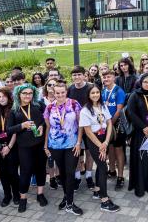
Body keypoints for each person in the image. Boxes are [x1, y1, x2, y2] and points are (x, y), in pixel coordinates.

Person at [79, 85, 122, 212]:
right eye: (93, 93)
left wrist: (106, 142)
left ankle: (97, 190)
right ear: (88, 95)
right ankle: (104, 200)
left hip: (105, 139)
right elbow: (88, 131)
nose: (96, 95)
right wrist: (100, 146)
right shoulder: (85, 111)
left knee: (100, 165)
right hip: (94, 141)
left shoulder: (103, 106)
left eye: (97, 92)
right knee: (103, 168)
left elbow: (109, 123)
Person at [43, 82, 84, 215]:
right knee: (63, 173)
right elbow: (48, 127)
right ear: (53, 93)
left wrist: (79, 142)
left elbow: (81, 125)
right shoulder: (49, 107)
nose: (60, 95)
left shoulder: (74, 104)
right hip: (55, 145)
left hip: (72, 145)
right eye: (57, 93)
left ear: (66, 92)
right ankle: (66, 197)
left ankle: (70, 204)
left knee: (70, 173)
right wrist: (45, 145)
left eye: (62, 92)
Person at [7, 84, 48, 212]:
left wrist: (42, 126)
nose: (27, 96)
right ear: (19, 94)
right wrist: (22, 126)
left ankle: (40, 194)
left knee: (41, 169)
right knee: (25, 172)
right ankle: (23, 198)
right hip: (24, 147)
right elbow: (8, 130)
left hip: (40, 144)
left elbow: (46, 120)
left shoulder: (39, 105)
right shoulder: (14, 110)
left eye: (30, 93)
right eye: (24, 93)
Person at [0, 87, 22, 208]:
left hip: (12, 147)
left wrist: (8, 147)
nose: (2, 99)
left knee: (13, 172)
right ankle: (7, 195)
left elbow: (14, 131)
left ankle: (16, 194)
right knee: (2, 173)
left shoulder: (13, 110)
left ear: (9, 97)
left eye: (4, 96)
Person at [67, 66, 94, 190]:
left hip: (89, 126)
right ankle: (77, 177)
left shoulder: (90, 88)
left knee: (89, 152)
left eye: (79, 74)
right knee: (76, 153)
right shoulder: (69, 89)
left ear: (84, 75)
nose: (76, 77)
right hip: (75, 128)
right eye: (74, 75)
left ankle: (89, 175)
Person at [101, 70, 128, 190]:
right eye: (104, 77)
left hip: (116, 125)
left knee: (118, 150)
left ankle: (121, 177)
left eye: (108, 77)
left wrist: (110, 124)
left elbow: (119, 110)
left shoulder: (118, 91)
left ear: (114, 78)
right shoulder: (103, 91)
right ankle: (112, 171)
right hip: (106, 125)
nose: (106, 79)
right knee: (110, 148)